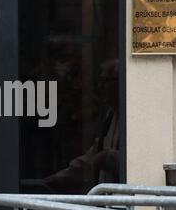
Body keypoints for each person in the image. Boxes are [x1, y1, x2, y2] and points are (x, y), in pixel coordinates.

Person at [44, 59, 120, 195]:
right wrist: (61, 177)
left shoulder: (133, 116)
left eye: (106, 81)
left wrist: (106, 157)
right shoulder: (110, 114)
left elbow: (137, 158)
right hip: (107, 200)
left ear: (119, 82)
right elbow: (93, 154)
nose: (101, 87)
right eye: (100, 82)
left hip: (123, 201)